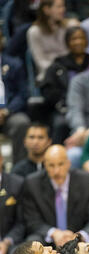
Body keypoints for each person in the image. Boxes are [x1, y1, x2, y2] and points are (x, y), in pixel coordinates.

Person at [22, 145, 89, 248]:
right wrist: (54, 233)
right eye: (51, 165)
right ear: (45, 165)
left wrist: (79, 236)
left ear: (68, 164)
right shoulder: (32, 183)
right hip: (49, 239)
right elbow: (32, 220)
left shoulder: (88, 181)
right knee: (33, 242)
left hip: (79, 236)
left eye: (61, 164)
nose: (56, 171)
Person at [39, 25, 89, 144]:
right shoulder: (58, 65)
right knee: (60, 124)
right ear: (67, 43)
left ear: (87, 41)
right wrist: (62, 103)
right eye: (74, 39)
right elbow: (48, 90)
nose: (78, 42)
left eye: (81, 38)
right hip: (66, 110)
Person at [26, 0, 79, 83]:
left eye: (63, 6)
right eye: (59, 7)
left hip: (71, 69)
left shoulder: (68, 26)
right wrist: (59, 69)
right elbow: (40, 62)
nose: (63, 10)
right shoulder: (34, 32)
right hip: (49, 74)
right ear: (46, 10)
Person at [0, 29, 31, 164]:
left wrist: (6, 111)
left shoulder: (14, 64)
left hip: (9, 114)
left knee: (21, 122)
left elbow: (23, 93)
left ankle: (19, 169)